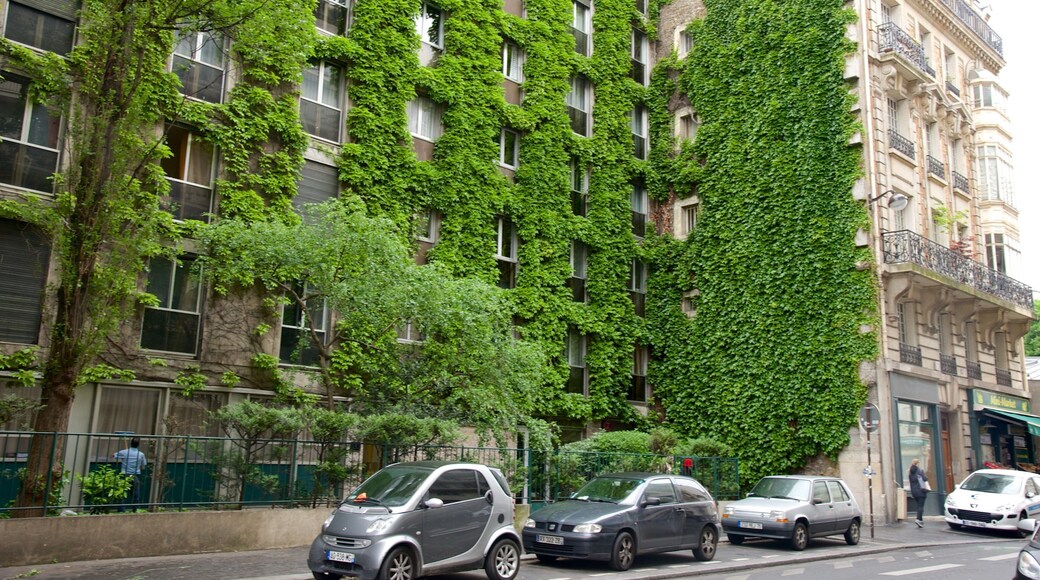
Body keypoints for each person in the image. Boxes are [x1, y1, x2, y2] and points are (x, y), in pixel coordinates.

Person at [113, 437, 147, 512]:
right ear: (138, 445)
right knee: (136, 494)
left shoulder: (124, 452)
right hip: (135, 475)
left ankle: (121, 510)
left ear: (131, 443)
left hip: (124, 475)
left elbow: (113, 455)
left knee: (122, 493)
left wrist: (123, 457)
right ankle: (135, 510)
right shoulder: (141, 454)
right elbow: (143, 467)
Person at [908, 458, 929, 527]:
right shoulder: (920, 471)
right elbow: (925, 479)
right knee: (920, 507)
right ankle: (918, 519)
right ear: (918, 464)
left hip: (914, 492)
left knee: (919, 506)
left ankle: (920, 521)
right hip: (921, 491)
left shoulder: (910, 472)